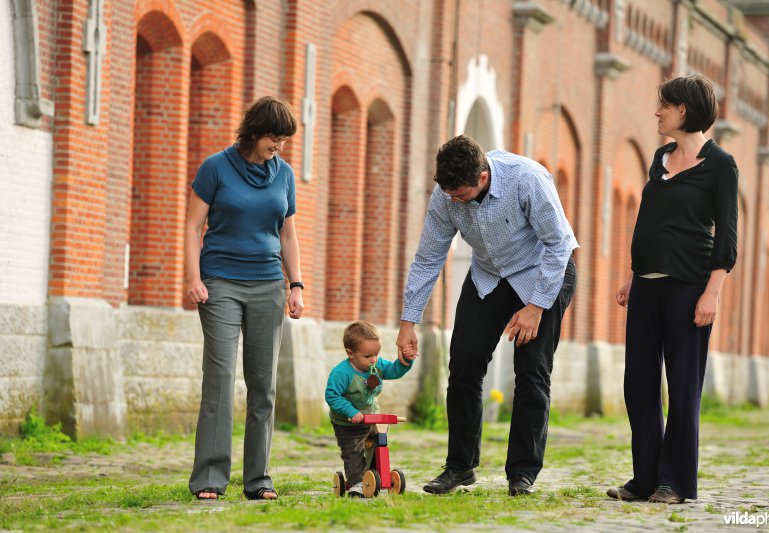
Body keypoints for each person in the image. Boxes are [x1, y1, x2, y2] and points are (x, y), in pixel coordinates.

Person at [396, 135, 578, 496]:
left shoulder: (526, 178)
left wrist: (536, 307)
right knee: (463, 364)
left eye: (460, 195)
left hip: (544, 271)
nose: (453, 201)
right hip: (489, 275)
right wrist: (408, 323)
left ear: (481, 178)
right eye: (449, 195)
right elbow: (429, 257)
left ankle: (522, 474)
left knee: (531, 371)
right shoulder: (447, 194)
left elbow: (559, 245)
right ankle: (460, 467)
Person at [607, 75, 738, 505]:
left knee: (682, 388)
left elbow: (726, 237)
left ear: (684, 110)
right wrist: (632, 274)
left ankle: (675, 483)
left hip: (689, 288)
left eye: (664, 105)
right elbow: (649, 220)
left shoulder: (721, 165)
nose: (657, 112)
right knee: (638, 384)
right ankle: (644, 479)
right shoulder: (661, 157)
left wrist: (712, 292)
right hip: (646, 286)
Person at [185, 96, 305, 501]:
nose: (280, 146)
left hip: (268, 284)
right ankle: (208, 478)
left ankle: (259, 479)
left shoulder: (284, 174)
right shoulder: (215, 167)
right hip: (219, 283)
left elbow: (287, 235)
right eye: (275, 137)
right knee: (218, 381)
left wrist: (297, 285)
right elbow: (192, 225)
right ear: (254, 131)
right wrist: (194, 278)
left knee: (263, 385)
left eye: (285, 140)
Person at [325, 321, 415, 497]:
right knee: (354, 451)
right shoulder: (342, 373)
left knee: (379, 444)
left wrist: (406, 361)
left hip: (372, 419)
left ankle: (376, 475)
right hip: (348, 423)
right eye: (367, 356)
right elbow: (332, 396)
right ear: (350, 353)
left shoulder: (376, 365)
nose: (374, 359)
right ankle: (357, 483)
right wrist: (351, 412)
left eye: (376, 354)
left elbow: (393, 370)